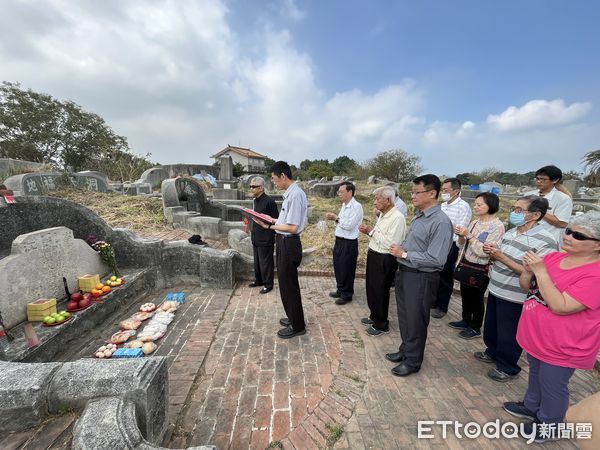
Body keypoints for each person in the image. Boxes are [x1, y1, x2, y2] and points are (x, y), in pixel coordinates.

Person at [502, 211, 600, 442]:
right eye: (568, 231)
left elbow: (561, 306)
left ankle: (550, 423)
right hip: (537, 337)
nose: (568, 236)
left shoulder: (595, 275)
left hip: (565, 345)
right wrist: (528, 271)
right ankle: (531, 405)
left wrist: (541, 271)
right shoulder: (554, 257)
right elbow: (528, 287)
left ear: (597, 246)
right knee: (536, 373)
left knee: (553, 384)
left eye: (578, 235)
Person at [474, 196, 557, 382]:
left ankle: (508, 367)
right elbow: (503, 255)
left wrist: (501, 257)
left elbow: (535, 273)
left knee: (509, 334)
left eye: (520, 210)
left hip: (516, 295)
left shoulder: (546, 240)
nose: (514, 212)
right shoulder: (512, 232)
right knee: (493, 328)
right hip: (496, 288)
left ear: (535, 215)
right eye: (514, 208)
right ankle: (492, 352)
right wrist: (493, 253)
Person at [386, 174, 453, 377]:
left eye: (417, 192)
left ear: (432, 193)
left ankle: (413, 361)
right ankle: (406, 350)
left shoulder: (441, 222)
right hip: (406, 273)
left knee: (416, 319)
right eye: (412, 192)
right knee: (406, 317)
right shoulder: (420, 216)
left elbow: (436, 259)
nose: (412, 196)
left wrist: (405, 254)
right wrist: (402, 249)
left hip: (421, 277)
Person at [253, 161, 308, 339]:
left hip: (289, 242)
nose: (275, 183)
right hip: (284, 240)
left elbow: (292, 227)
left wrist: (269, 227)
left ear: (283, 176)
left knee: (289, 286)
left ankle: (298, 325)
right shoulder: (289, 194)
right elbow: (285, 221)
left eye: (275, 179)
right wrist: (271, 219)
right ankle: (293, 317)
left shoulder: (295, 195)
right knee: (285, 285)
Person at [451, 192, 505, 339]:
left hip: (481, 267)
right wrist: (462, 236)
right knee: (466, 294)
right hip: (467, 263)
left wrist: (468, 235)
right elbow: (462, 245)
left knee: (477, 298)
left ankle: (475, 327)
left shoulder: (497, 226)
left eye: (480, 204)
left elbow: (484, 251)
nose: (476, 207)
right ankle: (465, 320)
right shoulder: (474, 223)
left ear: (491, 206)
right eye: (475, 204)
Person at [358, 186, 406, 336]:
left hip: (385, 258)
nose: (374, 202)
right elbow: (379, 236)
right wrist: (371, 232)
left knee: (381, 290)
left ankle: (381, 323)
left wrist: (371, 231)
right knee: (371, 288)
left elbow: (391, 244)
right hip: (374, 254)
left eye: (377, 199)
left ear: (388, 200)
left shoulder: (397, 217)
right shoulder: (383, 215)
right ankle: (374, 315)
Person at [431, 178, 472, 319]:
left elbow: (460, 229)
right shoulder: (442, 206)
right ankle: (433, 301)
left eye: (446, 190)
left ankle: (442, 306)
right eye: (443, 190)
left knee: (445, 276)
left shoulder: (463, 207)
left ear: (456, 191)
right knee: (435, 273)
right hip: (437, 244)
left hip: (450, 245)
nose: (444, 192)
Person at [326, 182, 364, 305]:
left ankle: (347, 294)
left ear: (350, 192)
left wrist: (336, 218)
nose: (339, 194)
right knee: (338, 266)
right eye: (339, 192)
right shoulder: (344, 205)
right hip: (340, 240)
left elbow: (349, 225)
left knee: (347, 268)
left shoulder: (356, 206)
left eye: (341, 192)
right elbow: (341, 223)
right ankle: (340, 289)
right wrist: (336, 219)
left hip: (349, 242)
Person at [525, 165, 573, 243]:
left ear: (555, 180)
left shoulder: (563, 198)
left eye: (543, 179)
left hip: (548, 241)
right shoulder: (528, 195)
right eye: (537, 178)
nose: (538, 181)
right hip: (527, 236)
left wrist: (538, 211)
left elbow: (562, 223)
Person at [248, 176, 279, 294]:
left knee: (266, 262)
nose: (251, 188)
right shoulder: (255, 201)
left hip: (266, 237)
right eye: (250, 186)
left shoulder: (269, 201)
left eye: (254, 186)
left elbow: (276, 219)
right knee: (257, 262)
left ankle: (268, 284)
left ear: (261, 187)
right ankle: (259, 280)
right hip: (256, 236)